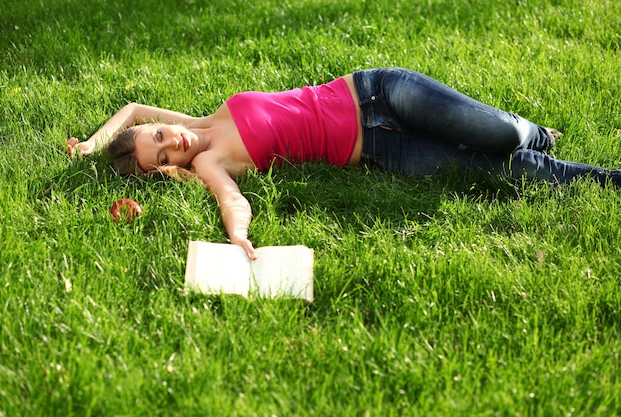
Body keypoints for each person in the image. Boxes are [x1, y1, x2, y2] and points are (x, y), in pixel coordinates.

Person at [67, 67, 621, 259]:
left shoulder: (204, 120)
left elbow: (134, 107)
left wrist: (94, 144)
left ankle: (535, 131)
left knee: (503, 133)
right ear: (166, 167)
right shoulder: (212, 162)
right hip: (383, 151)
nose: (174, 144)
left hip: (378, 93)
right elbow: (233, 201)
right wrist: (238, 237)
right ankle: (607, 181)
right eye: (162, 156)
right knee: (506, 174)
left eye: (162, 136)